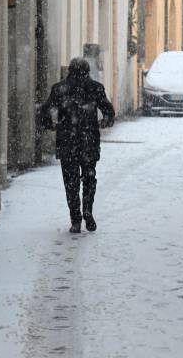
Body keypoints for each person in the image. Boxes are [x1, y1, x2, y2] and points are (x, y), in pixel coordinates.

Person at [37, 58, 115, 233]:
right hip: (89, 141)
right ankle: (88, 210)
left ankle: (76, 220)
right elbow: (109, 111)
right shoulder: (96, 87)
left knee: (71, 182)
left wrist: (51, 125)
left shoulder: (59, 89)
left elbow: (45, 111)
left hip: (67, 142)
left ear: (69, 71)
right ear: (87, 71)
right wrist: (105, 122)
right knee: (89, 178)